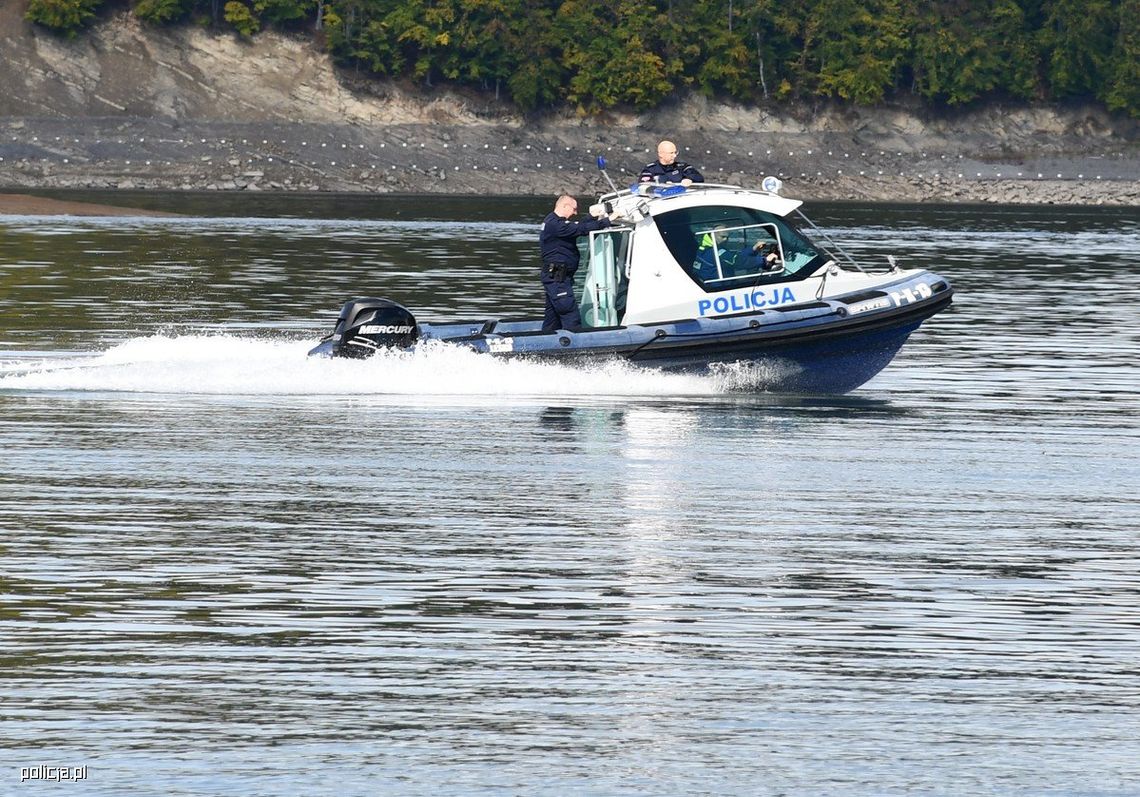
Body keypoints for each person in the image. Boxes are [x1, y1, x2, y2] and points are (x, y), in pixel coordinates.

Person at [539, 194, 613, 332]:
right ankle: (579, 348)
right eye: (574, 209)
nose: (575, 212)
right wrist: (609, 220)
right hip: (557, 278)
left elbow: (577, 226)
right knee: (569, 313)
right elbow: (581, 229)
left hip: (557, 277)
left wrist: (591, 217)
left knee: (552, 317)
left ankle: (545, 343)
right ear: (565, 206)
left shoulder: (553, 221)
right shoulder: (557, 225)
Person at [639, 140, 704, 186]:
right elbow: (643, 185)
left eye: (675, 152)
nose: (674, 155)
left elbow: (699, 178)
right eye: (671, 153)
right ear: (661, 154)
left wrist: (689, 179)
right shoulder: (650, 169)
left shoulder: (682, 167)